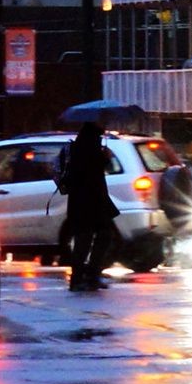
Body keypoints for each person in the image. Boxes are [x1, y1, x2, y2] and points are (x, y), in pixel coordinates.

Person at [61, 122, 120, 292]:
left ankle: (89, 274)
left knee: (97, 237)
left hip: (91, 201)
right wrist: (105, 158)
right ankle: (82, 276)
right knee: (86, 240)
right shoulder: (84, 152)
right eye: (99, 137)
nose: (100, 140)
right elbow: (90, 172)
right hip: (88, 202)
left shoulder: (82, 150)